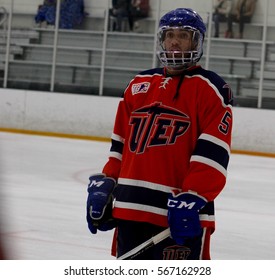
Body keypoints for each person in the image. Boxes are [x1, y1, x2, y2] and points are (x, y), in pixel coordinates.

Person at [86, 8, 233, 260]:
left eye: (184, 35)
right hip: (130, 208)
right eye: (169, 35)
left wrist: (193, 196)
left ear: (197, 42)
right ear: (161, 40)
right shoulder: (137, 85)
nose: (175, 41)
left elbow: (212, 154)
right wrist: (108, 184)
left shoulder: (212, 89)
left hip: (179, 213)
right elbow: (120, 145)